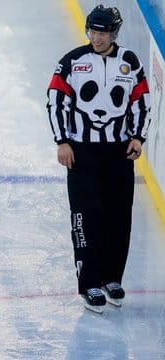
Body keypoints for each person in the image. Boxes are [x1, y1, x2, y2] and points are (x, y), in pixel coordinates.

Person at [46, 5, 151, 313]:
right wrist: (62, 141)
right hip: (82, 152)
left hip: (119, 152)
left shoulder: (129, 62)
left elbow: (142, 101)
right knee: (87, 216)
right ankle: (89, 282)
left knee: (119, 217)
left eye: (102, 32)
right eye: (92, 30)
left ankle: (111, 278)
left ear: (114, 33)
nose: (96, 36)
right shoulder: (72, 61)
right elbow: (55, 101)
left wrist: (138, 136)